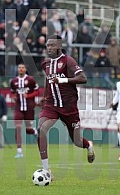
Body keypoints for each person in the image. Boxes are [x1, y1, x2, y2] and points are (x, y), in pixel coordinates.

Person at [38, 35, 95, 174]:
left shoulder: (68, 61)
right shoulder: (45, 64)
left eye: (52, 45)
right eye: (47, 45)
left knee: (76, 141)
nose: (49, 48)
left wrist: (63, 81)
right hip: (52, 105)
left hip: (69, 107)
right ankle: (46, 170)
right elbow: (48, 81)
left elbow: (83, 78)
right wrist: (44, 96)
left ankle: (88, 145)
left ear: (59, 46)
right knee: (41, 130)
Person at [10, 63, 39, 158]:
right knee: (18, 128)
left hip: (29, 108)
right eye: (19, 67)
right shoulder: (14, 81)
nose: (21, 69)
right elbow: (12, 92)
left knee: (28, 130)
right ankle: (19, 151)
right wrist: (13, 97)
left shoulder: (30, 80)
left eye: (23, 67)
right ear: (17, 69)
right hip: (18, 108)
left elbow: (37, 91)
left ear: (26, 69)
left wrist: (29, 96)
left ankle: (35, 132)